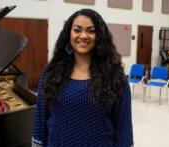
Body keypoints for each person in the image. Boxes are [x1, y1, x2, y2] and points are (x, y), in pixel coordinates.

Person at [32, 8, 133, 147]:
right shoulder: (51, 72)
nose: (83, 36)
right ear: (69, 34)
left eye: (91, 31)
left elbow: (124, 126)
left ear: (99, 36)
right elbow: (40, 119)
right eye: (77, 30)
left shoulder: (115, 76)